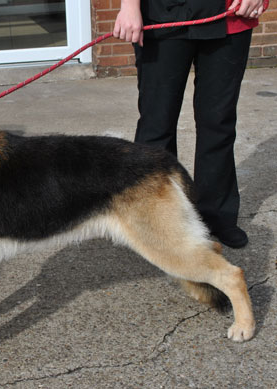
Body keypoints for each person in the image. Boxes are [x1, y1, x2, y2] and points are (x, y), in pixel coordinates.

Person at [113, 0, 265, 248]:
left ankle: (216, 215)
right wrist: (130, 6)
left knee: (218, 124)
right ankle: (152, 216)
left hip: (230, 15)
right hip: (161, 15)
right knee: (156, 125)